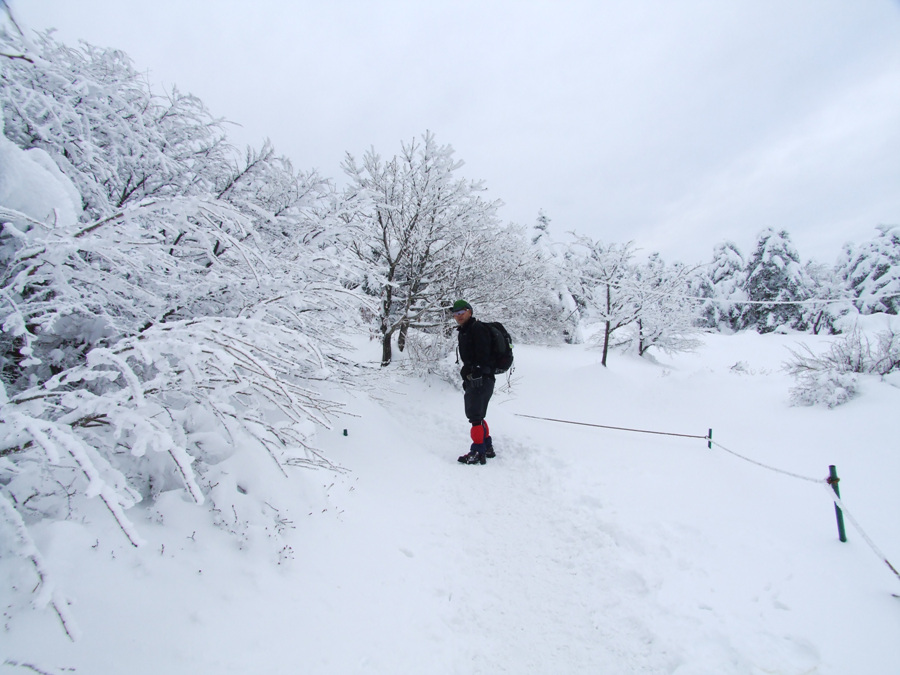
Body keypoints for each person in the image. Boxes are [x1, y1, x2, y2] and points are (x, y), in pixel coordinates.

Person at [451, 299, 496, 465]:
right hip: (478, 377)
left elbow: (484, 354)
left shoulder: (477, 329)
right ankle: (487, 446)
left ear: (470, 311)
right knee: (479, 414)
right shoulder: (465, 331)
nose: (458, 316)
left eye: (462, 312)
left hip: (481, 378)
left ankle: (478, 450)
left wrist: (476, 371)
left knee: (475, 416)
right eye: (455, 314)